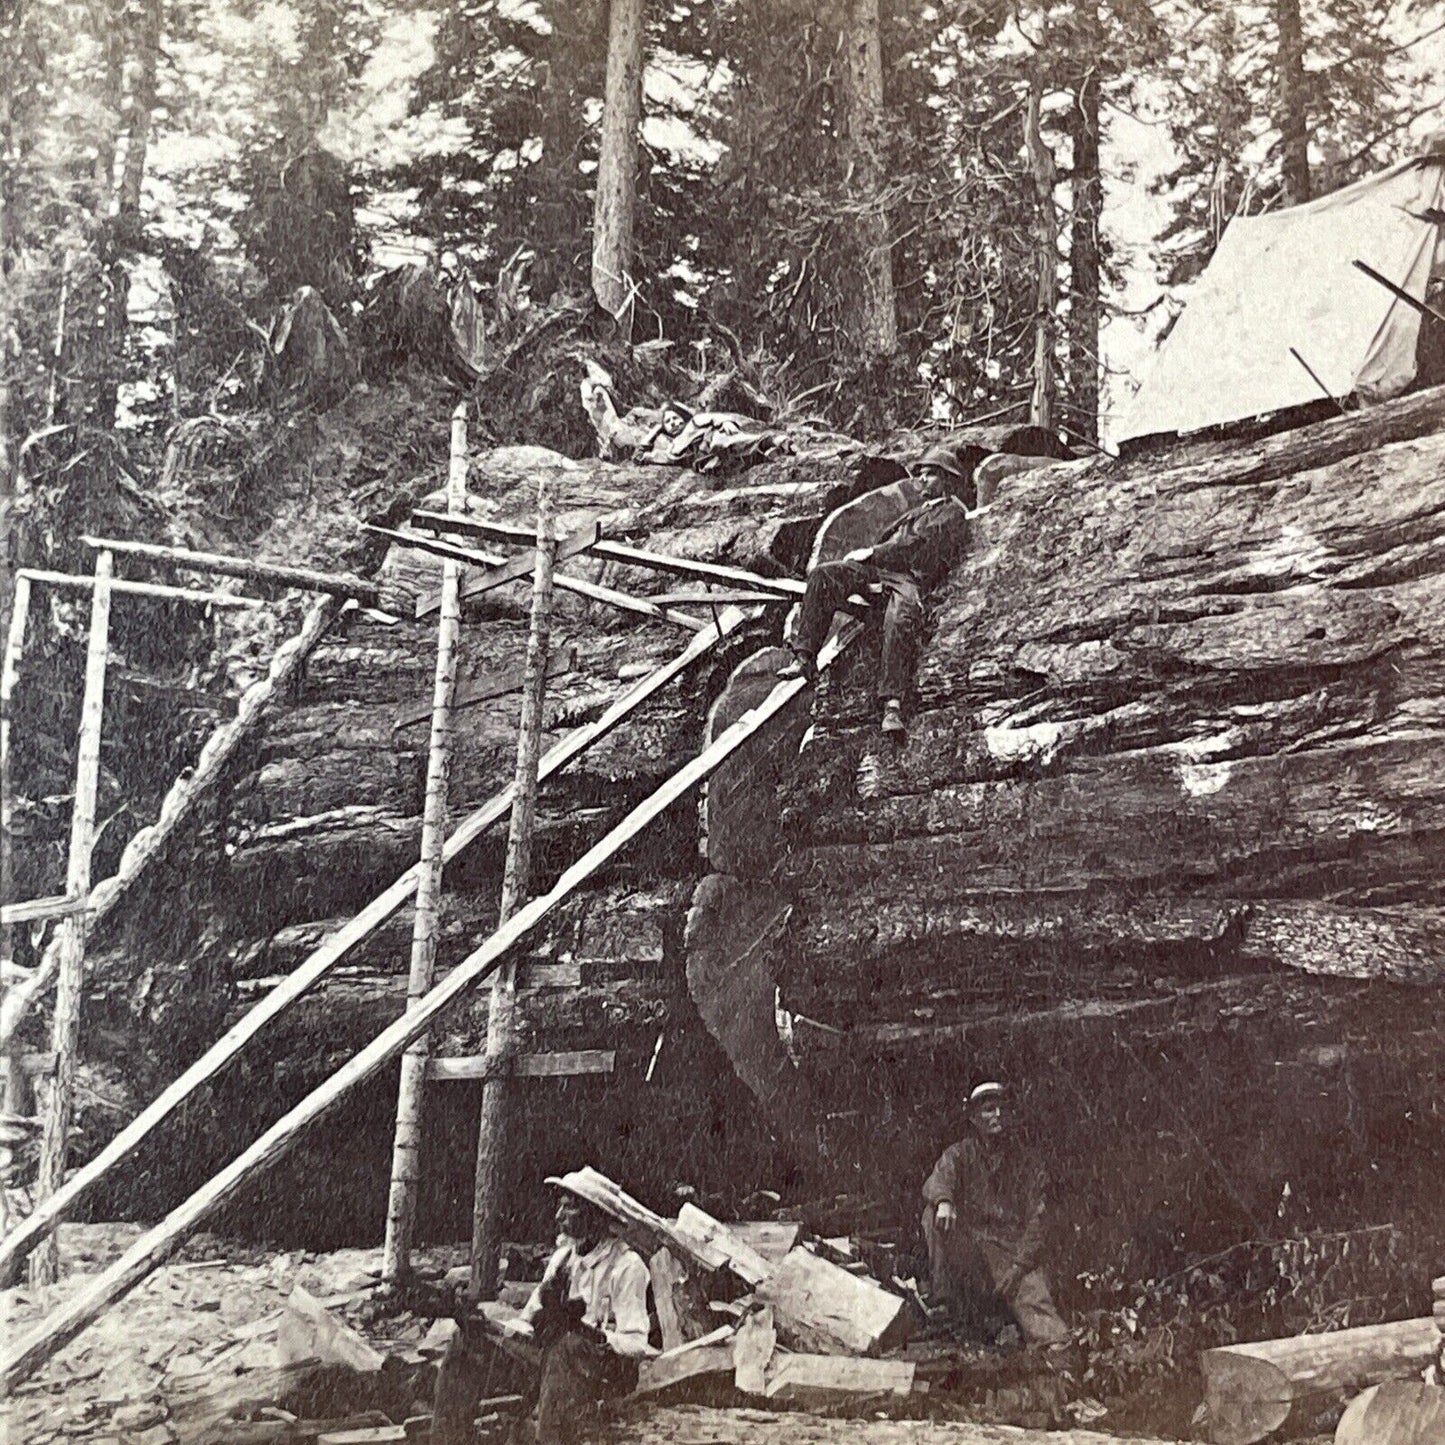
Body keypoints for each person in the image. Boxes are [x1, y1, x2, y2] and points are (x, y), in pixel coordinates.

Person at [432, 1179, 654, 1445]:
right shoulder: (562, 1260)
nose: (558, 1216)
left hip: (606, 1372)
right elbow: (529, 1322)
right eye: (560, 1207)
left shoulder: (626, 1266)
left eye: (569, 1208)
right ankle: (448, 1438)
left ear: (595, 1215)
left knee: (567, 1346)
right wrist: (491, 1327)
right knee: (467, 1340)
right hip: (552, 1361)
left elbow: (636, 1343)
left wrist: (584, 1332)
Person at [778, 443, 975, 734]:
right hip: (882, 571)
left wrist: (872, 553)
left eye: (931, 474)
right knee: (823, 576)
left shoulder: (952, 513)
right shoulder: (918, 512)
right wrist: (872, 558)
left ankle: (892, 707)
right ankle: (805, 656)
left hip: (910, 577)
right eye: (920, 473)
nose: (922, 479)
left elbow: (917, 546)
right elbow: (893, 539)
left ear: (948, 479)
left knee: (899, 619)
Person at [920, 1081, 1070, 1351]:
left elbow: (1039, 1219)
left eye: (1002, 1108)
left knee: (1043, 1319)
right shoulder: (961, 1154)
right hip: (971, 1248)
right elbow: (939, 1178)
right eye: (989, 1110)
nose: (997, 1115)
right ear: (974, 1118)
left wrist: (1018, 1266)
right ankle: (945, 1304)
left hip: (1010, 1248)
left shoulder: (1027, 1161)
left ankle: (1054, 1351)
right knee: (932, 1214)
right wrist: (945, 1201)